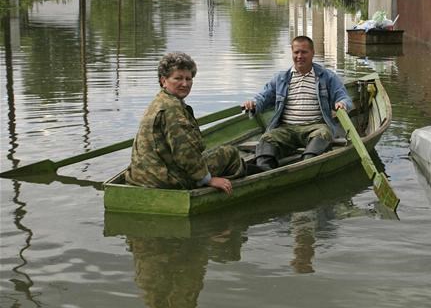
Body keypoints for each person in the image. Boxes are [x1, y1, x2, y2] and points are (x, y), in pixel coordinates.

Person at [126, 52, 245, 193]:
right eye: (178, 78)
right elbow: (184, 151)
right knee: (229, 153)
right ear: (163, 81)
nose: (185, 84)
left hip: (139, 176)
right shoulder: (172, 109)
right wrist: (207, 179)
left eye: (188, 79)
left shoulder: (158, 101)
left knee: (205, 155)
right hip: (166, 181)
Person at [242, 35, 352, 170]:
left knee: (323, 134)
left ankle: (306, 165)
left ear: (312, 53)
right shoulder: (281, 78)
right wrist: (253, 104)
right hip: (286, 128)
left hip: (315, 127)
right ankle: (265, 171)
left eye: (304, 52)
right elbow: (263, 97)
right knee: (267, 138)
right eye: (296, 52)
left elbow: (343, 97)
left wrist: (342, 103)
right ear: (292, 53)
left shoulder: (326, 76)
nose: (300, 56)